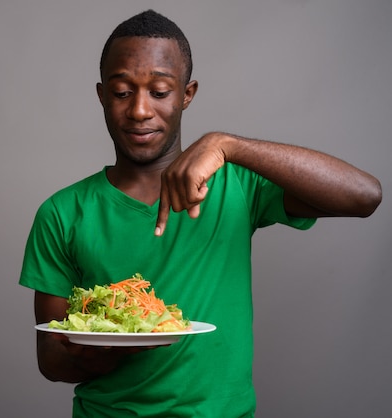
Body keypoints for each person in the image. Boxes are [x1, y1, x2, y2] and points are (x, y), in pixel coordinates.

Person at [19, 9, 382, 418]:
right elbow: (50, 360)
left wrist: (227, 144)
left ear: (186, 95)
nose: (139, 110)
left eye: (159, 91)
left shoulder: (237, 185)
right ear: (102, 95)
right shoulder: (62, 212)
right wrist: (110, 344)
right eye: (122, 92)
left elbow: (364, 196)